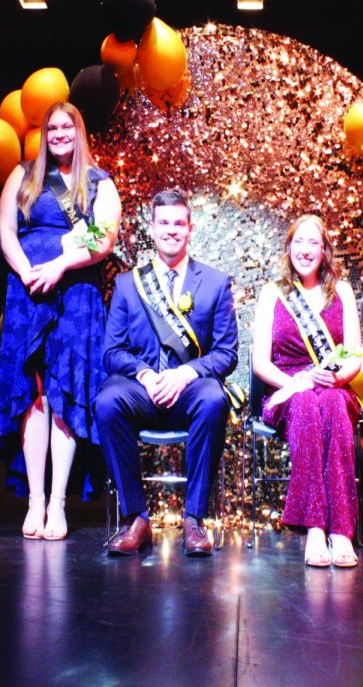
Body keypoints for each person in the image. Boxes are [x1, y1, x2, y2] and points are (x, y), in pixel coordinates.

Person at [0, 102, 121, 540]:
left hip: (76, 295)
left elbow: (103, 239)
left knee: (64, 393)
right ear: (43, 133)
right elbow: (5, 231)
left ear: (79, 132)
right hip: (28, 293)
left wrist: (60, 265)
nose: (59, 133)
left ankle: (58, 503)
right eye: (52, 127)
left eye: (67, 127)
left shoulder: (99, 182)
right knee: (35, 394)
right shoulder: (23, 175)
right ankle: (34, 500)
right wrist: (26, 268)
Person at [96, 188, 237, 557]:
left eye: (179, 223)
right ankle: (136, 519)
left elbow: (227, 354)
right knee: (107, 401)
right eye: (164, 223)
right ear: (152, 228)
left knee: (213, 398)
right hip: (143, 390)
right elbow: (111, 352)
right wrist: (144, 374)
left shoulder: (216, 282)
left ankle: (194, 519)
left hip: (188, 392)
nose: (171, 230)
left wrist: (186, 374)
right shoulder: (128, 284)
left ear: (190, 229)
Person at [252, 215, 363, 568]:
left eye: (313, 243)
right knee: (305, 405)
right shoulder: (273, 293)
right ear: (288, 248)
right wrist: (296, 383)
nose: (305, 250)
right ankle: (315, 527)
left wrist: (336, 379)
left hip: (332, 387)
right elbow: (260, 363)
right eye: (298, 242)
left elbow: (355, 356)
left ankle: (341, 531)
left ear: (325, 250)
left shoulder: (342, 291)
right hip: (287, 391)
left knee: (330, 403)